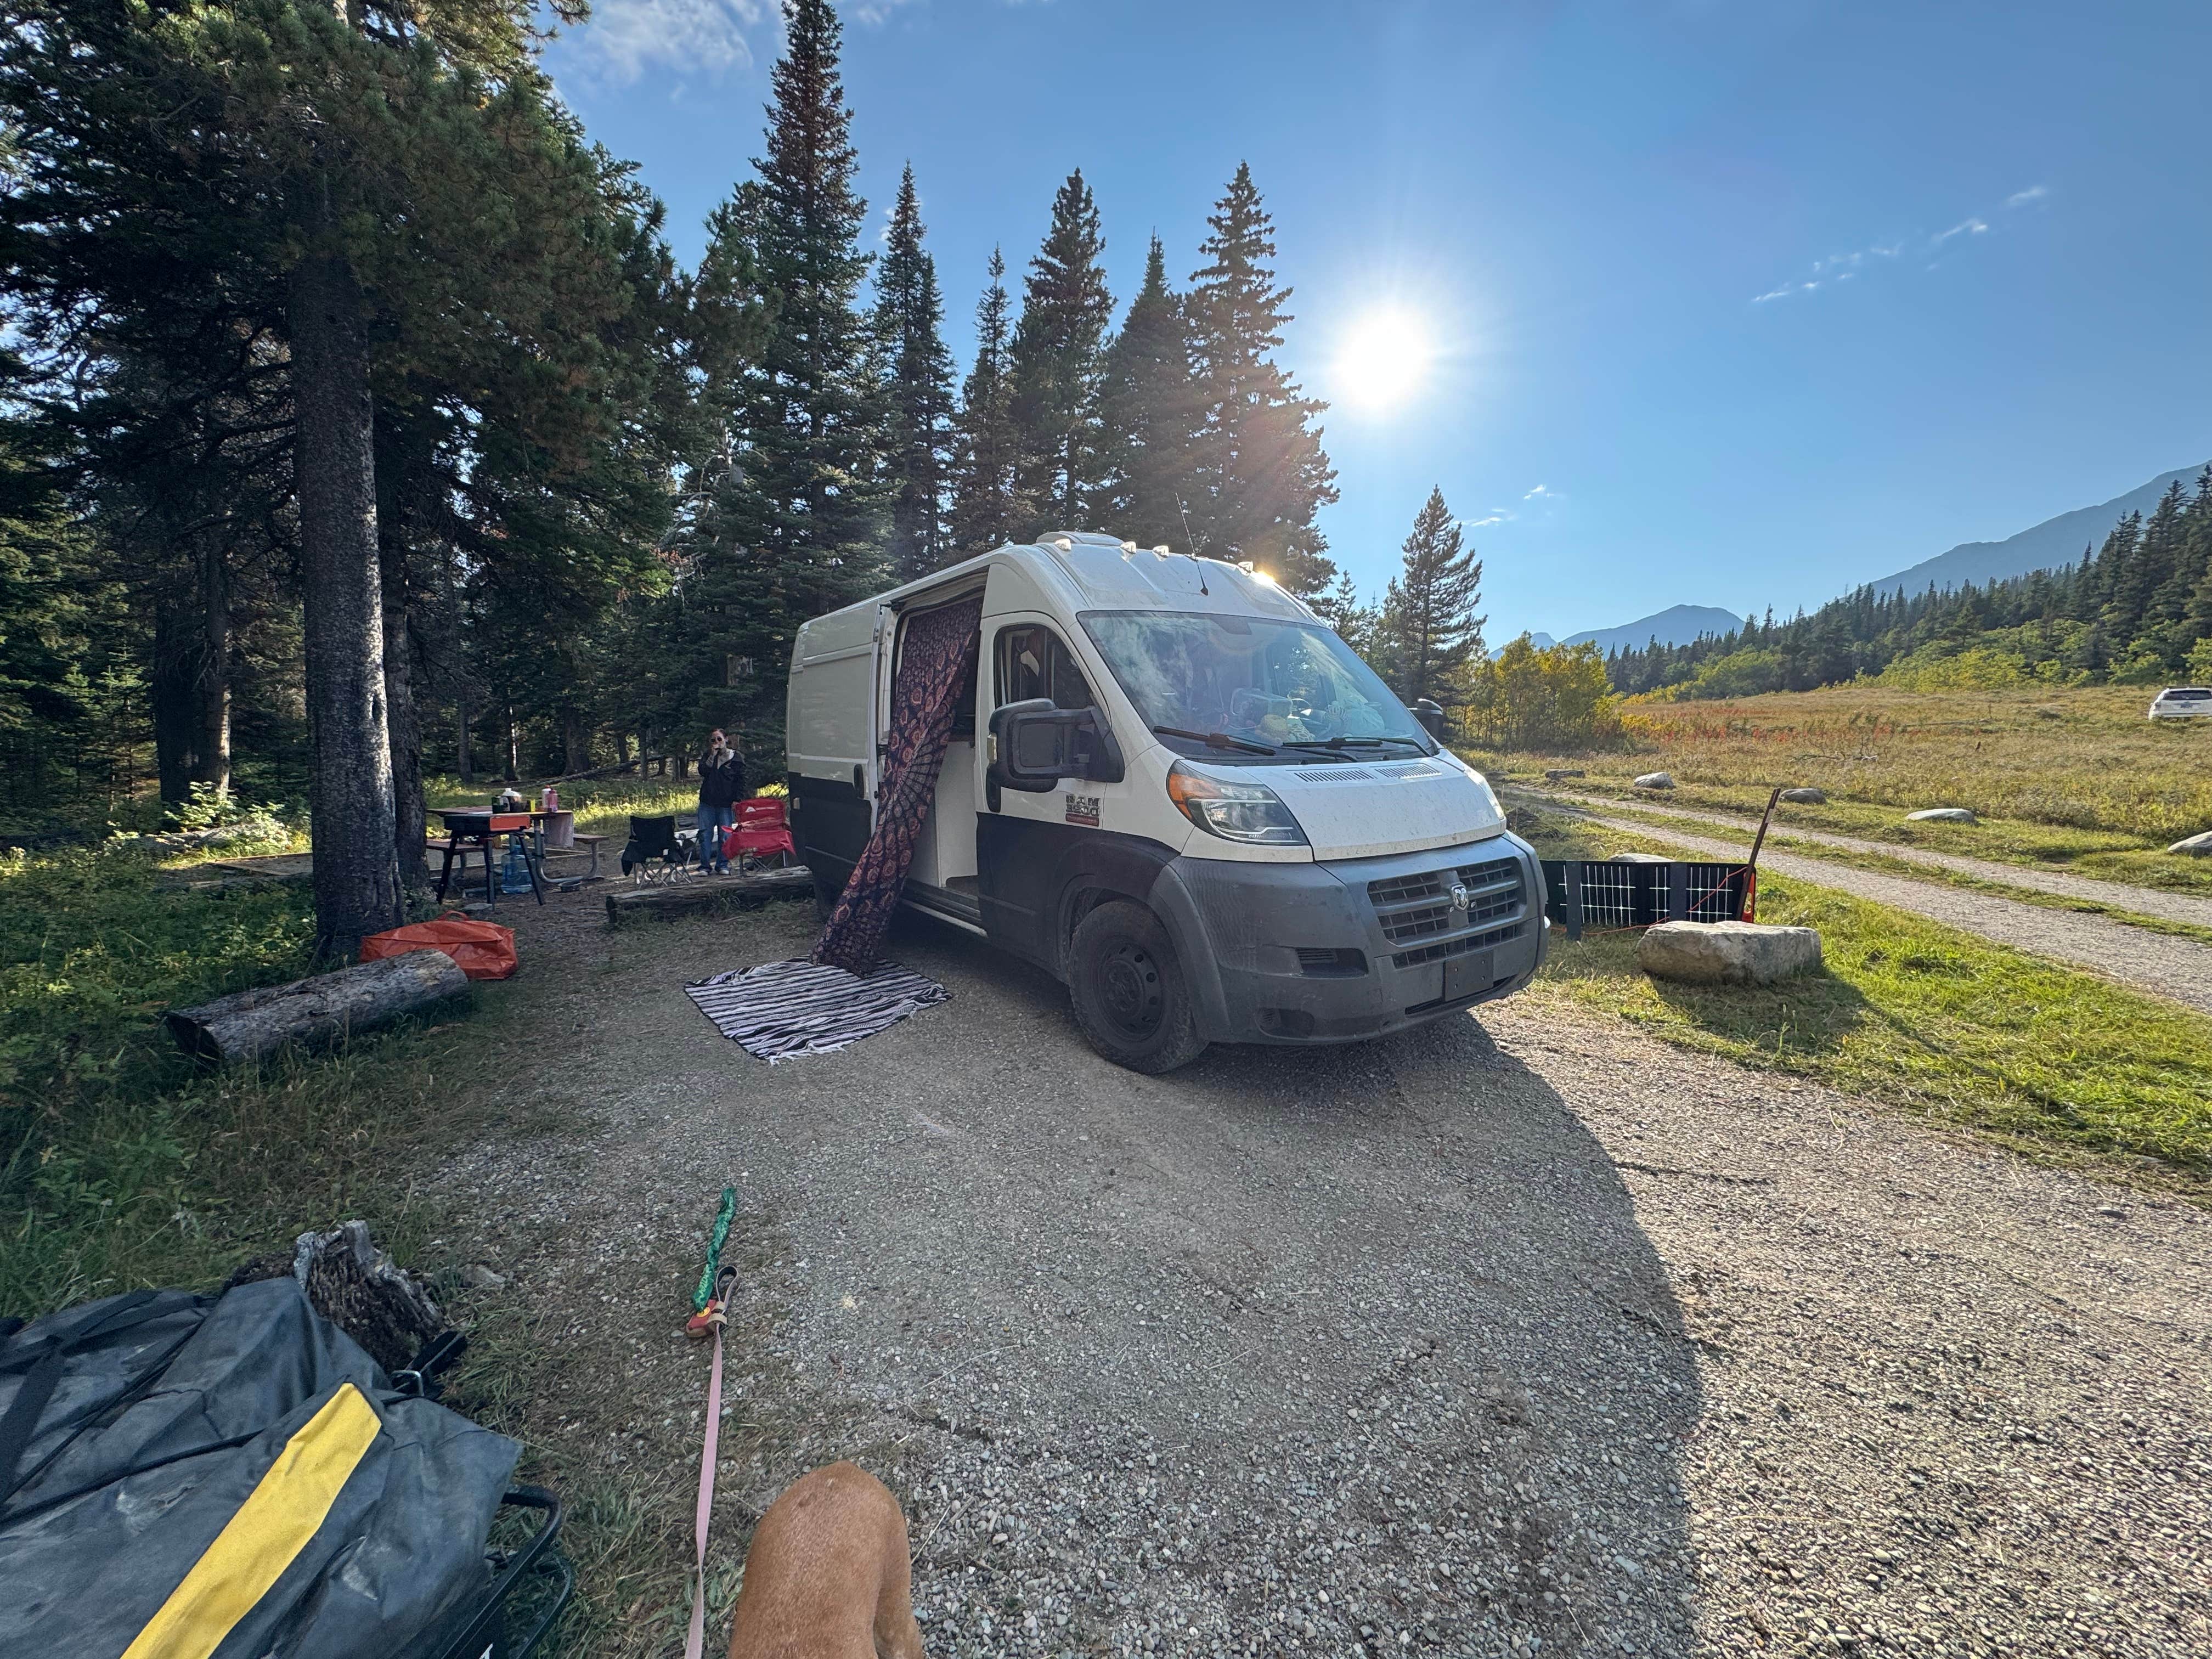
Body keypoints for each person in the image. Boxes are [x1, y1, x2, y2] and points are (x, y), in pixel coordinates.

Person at [696, 730, 744, 874]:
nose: (717, 742)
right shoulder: (708, 756)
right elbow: (703, 771)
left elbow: (741, 780)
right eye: (713, 740)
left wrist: (737, 799)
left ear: (726, 739)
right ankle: (705, 866)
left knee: (725, 835)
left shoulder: (735, 757)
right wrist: (712, 756)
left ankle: (722, 865)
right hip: (707, 802)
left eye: (719, 739)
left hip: (725, 802)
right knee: (705, 835)